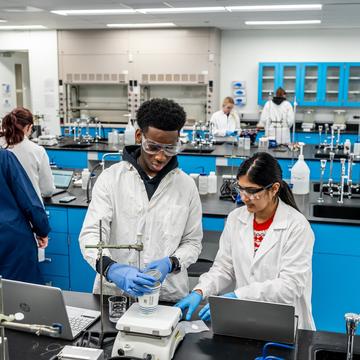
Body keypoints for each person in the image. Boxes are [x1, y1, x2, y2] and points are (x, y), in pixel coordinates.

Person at [176, 152, 315, 330]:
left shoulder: (297, 227)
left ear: (274, 189)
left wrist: (238, 295)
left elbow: (289, 287)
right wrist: (200, 290)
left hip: (283, 324)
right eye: (240, 188)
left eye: (251, 191)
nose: (243, 197)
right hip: (243, 319)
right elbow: (224, 268)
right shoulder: (236, 218)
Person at [80, 98, 203, 300]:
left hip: (166, 295)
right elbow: (91, 236)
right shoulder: (111, 178)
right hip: (115, 295)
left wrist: (171, 263)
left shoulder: (186, 186)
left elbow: (192, 242)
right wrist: (111, 269)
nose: (161, 157)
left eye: (170, 148)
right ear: (139, 136)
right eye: (153, 147)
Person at [0, 149, 50, 284]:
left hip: (9, 239)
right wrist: (42, 230)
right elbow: (28, 198)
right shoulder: (4, 157)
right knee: (23, 298)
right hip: (12, 240)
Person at [0, 107, 55, 201]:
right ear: (27, 127)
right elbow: (48, 190)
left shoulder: (2, 145)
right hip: (29, 209)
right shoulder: (37, 151)